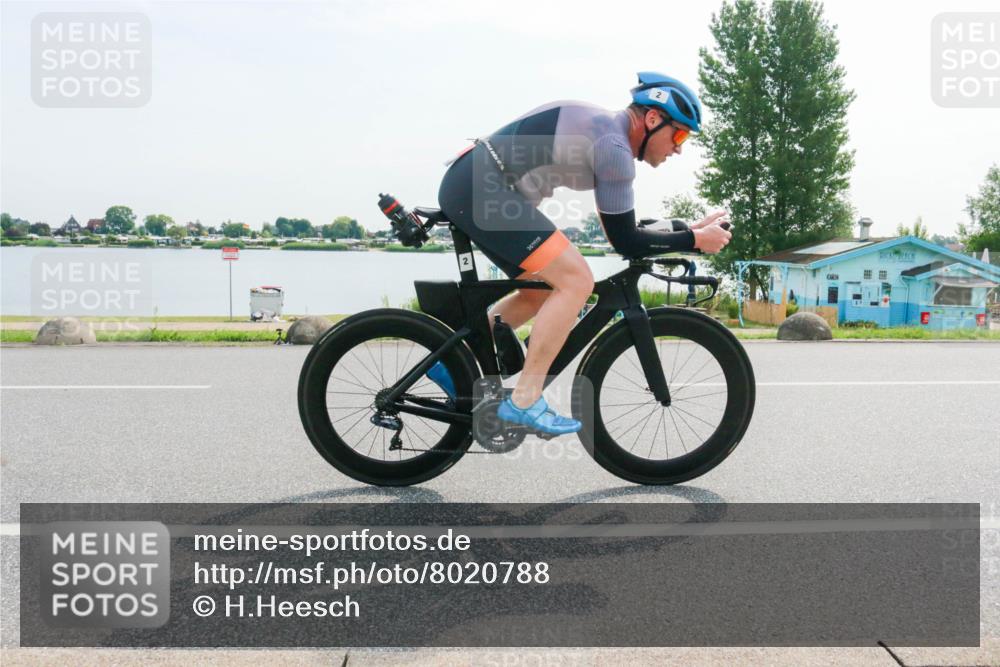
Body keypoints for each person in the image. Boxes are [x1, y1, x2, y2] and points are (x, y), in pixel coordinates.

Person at [427, 72, 732, 435]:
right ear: (653, 119)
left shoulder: (609, 134)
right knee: (576, 281)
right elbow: (626, 242)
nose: (679, 147)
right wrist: (694, 240)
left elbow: (625, 229)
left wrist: (690, 231)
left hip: (476, 183)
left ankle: (452, 365)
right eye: (679, 134)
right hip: (484, 188)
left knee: (537, 290)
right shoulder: (614, 148)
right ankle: (525, 400)